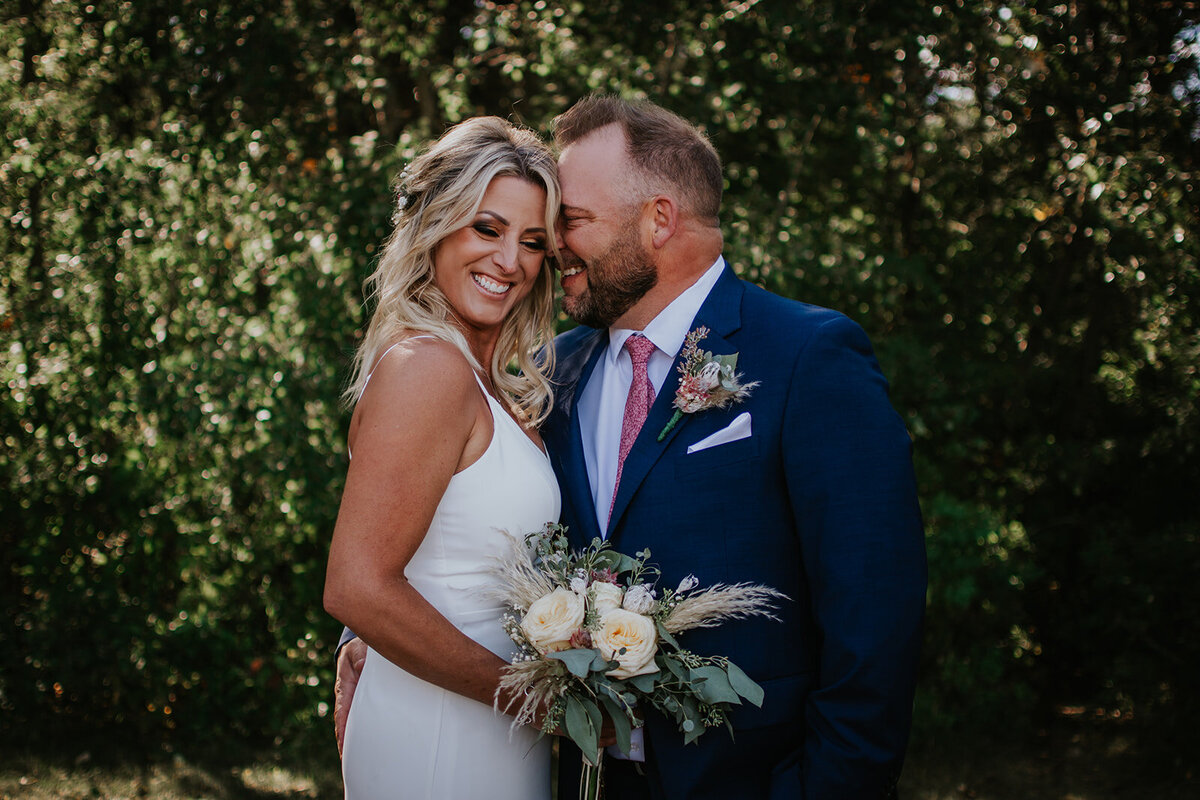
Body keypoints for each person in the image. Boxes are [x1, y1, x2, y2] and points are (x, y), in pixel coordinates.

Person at [337, 96, 926, 799]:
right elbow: (431, 530)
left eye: (569, 223)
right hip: (578, 774)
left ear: (658, 219)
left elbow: (875, 619)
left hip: (746, 781)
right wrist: (364, 637)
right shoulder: (555, 372)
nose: (550, 250)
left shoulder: (806, 357)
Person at [323, 116, 563, 800]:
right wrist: (529, 698)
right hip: (440, 734)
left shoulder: (490, 382)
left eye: (532, 242)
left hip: (487, 727)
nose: (509, 261)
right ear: (434, 225)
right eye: (486, 228)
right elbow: (357, 585)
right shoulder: (427, 368)